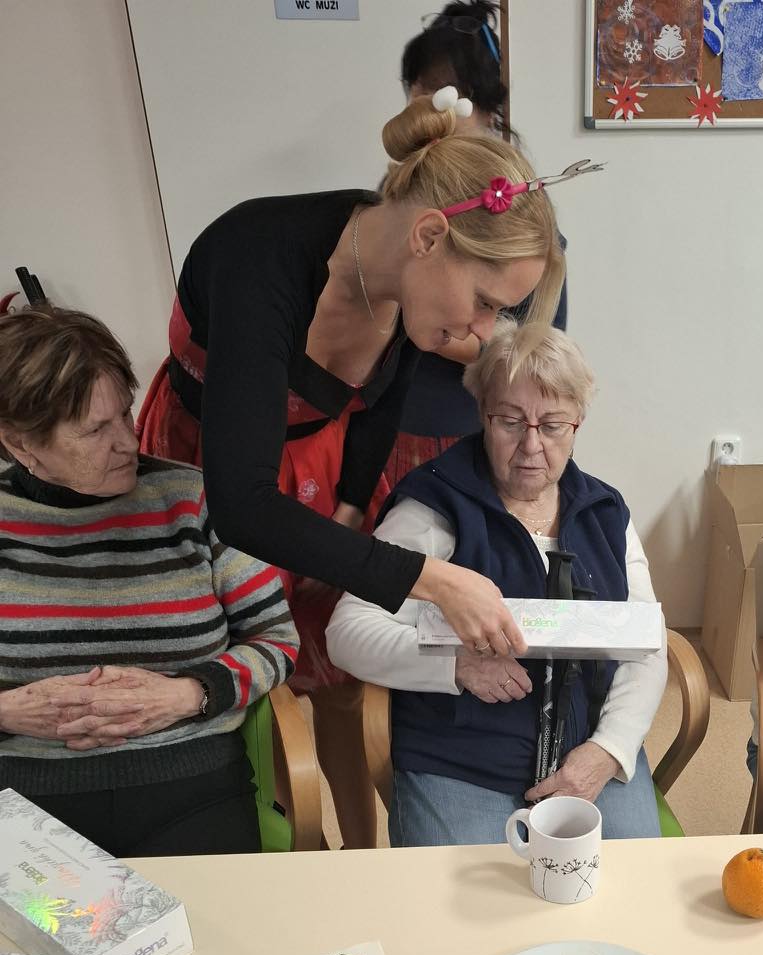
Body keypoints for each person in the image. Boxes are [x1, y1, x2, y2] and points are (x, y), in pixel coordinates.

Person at [137, 90, 567, 843]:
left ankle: (361, 844)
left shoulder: (401, 270)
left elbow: (378, 404)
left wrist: (346, 507)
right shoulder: (258, 259)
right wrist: (432, 578)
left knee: (340, 669)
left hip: (322, 461)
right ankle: (290, 832)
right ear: (430, 236)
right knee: (252, 669)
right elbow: (241, 502)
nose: (482, 331)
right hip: (216, 463)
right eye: (484, 303)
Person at [326, 320, 667, 847]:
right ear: (482, 413)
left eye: (552, 425)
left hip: (588, 754)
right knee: (466, 893)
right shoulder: (435, 506)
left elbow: (647, 643)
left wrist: (609, 750)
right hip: (460, 760)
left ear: (577, 424)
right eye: (510, 421)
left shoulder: (605, 513)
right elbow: (347, 631)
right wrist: (454, 665)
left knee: (632, 884)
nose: (531, 445)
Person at [0, 307, 299, 857]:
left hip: (192, 783)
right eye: (96, 429)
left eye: (125, 413)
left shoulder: (194, 498)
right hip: (25, 798)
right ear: (21, 444)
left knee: (214, 913)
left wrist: (188, 694)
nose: (128, 442)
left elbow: (277, 640)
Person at [363, 2, 570, 532]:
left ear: (482, 106)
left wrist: (424, 324)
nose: (427, 110)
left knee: (460, 550)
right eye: (416, 92)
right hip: (382, 418)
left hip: (458, 424)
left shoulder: (519, 220)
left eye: (442, 94)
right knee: (389, 549)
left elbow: (535, 343)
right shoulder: (401, 197)